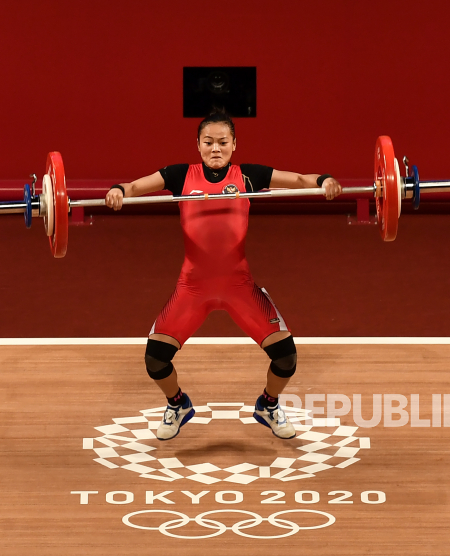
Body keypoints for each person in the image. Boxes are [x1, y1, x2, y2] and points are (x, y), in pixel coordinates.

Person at [105, 109, 342, 441]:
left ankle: (268, 405)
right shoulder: (178, 175)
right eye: (208, 142)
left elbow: (302, 180)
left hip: (238, 285)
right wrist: (118, 191)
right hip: (192, 287)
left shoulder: (248, 176)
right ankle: (178, 404)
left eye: (222, 142)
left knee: (286, 357)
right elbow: (132, 186)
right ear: (198, 145)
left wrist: (324, 182)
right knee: (155, 360)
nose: (215, 149)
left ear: (234, 145)